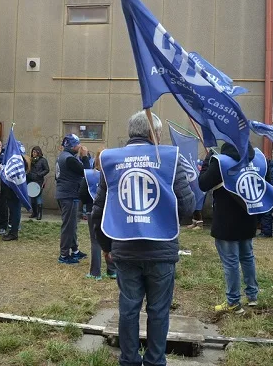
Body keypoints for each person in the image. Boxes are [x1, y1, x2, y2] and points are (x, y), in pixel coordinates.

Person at [92, 111, 195, 366]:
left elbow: (98, 212)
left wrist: (107, 247)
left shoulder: (112, 161)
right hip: (161, 250)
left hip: (125, 250)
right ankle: (155, 361)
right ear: (154, 133)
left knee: (128, 309)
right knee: (158, 311)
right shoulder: (169, 158)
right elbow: (187, 207)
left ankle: (128, 360)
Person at [198, 142, 262, 314]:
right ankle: (252, 295)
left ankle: (233, 301)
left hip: (227, 220)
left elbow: (203, 183)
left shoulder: (221, 162)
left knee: (231, 262)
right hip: (248, 217)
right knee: (247, 256)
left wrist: (208, 159)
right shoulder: (256, 159)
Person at [79, 148, 115, 280]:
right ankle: (112, 270)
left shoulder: (90, 175)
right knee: (110, 239)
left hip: (92, 210)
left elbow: (82, 193)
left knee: (95, 241)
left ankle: (95, 272)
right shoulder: (113, 174)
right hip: (109, 211)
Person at [55, 134, 90, 264]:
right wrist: (85, 156)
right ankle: (64, 255)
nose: (79, 146)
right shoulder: (69, 159)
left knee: (73, 225)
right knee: (68, 226)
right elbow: (86, 172)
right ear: (71, 145)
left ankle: (74, 250)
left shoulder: (63, 156)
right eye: (77, 144)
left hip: (66, 193)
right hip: (68, 195)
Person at [2, 144, 29, 242]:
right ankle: (12, 230)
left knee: (15, 211)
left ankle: (14, 232)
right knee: (13, 211)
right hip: (11, 190)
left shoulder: (18, 160)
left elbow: (14, 174)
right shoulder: (16, 159)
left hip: (15, 190)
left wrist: (4, 170)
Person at [258, 159, 273, 238]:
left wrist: (264, 183)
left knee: (267, 213)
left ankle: (267, 233)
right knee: (264, 213)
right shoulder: (269, 170)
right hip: (268, 195)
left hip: (272, 196)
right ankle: (265, 231)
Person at [27, 146, 49, 220]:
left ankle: (39, 214)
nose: (34, 153)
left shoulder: (43, 160)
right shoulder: (31, 160)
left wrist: (39, 174)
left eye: (35, 152)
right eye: (33, 152)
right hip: (31, 180)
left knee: (38, 197)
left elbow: (47, 169)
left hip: (38, 181)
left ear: (38, 152)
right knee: (32, 197)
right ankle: (34, 212)